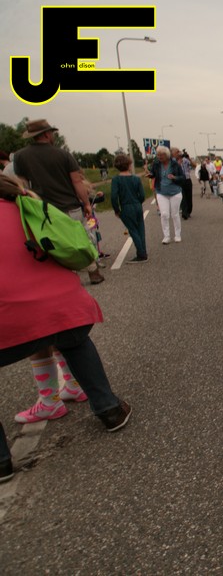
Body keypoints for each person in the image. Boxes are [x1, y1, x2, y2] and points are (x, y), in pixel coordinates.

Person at [0, 175, 132, 483]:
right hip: (64, 308)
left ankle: (1, 462)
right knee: (73, 340)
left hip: (8, 320)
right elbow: (74, 245)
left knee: (44, 330)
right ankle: (109, 409)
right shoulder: (30, 206)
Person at [11, 119, 105, 284]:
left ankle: (68, 279)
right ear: (47, 134)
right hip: (69, 206)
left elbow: (23, 184)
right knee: (80, 240)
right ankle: (93, 272)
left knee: (56, 245)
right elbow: (77, 182)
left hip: (44, 210)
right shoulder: (63, 154)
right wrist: (86, 204)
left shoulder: (20, 156)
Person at [110, 153, 148, 263]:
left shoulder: (116, 180)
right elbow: (142, 195)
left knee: (133, 230)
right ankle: (143, 251)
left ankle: (141, 254)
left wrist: (116, 209)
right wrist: (138, 202)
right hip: (137, 205)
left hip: (126, 206)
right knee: (140, 229)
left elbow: (114, 196)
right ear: (129, 164)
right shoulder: (136, 179)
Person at [149, 145, 185, 244]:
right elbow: (153, 173)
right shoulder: (156, 164)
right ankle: (166, 236)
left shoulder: (175, 164)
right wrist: (150, 175)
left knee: (175, 214)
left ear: (167, 155)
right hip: (161, 192)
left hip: (175, 192)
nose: (159, 157)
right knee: (164, 214)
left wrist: (174, 177)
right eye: (158, 155)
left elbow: (182, 177)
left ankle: (177, 235)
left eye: (161, 155)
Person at [173, 148, 194, 220]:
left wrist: (189, 158)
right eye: (177, 152)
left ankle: (188, 211)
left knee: (189, 197)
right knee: (182, 197)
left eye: (179, 152)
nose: (179, 153)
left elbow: (194, 165)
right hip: (180, 180)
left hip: (187, 179)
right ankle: (184, 213)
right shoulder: (173, 162)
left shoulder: (185, 160)